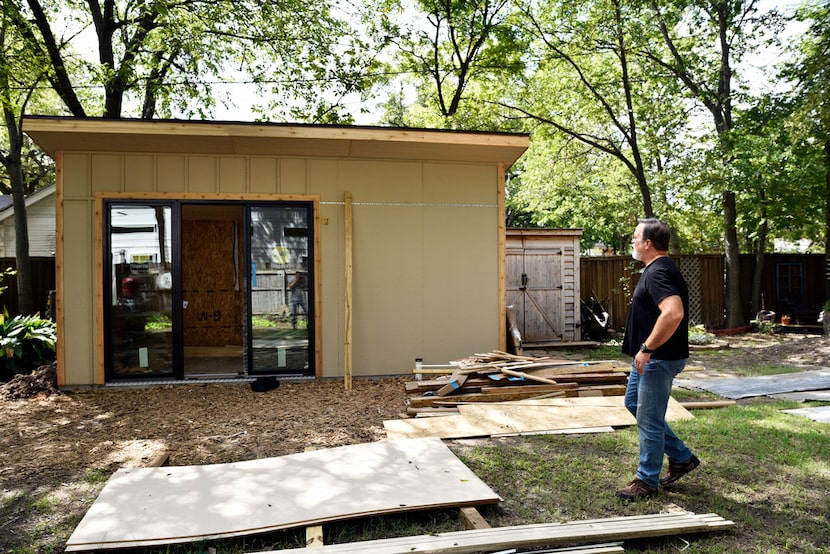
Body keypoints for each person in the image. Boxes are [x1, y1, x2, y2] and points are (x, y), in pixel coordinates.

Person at [616, 218, 700, 501]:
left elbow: (673, 313)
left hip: (657, 358)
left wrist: (648, 348)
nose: (633, 243)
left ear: (648, 244)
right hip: (651, 357)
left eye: (636, 238)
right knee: (634, 404)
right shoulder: (659, 269)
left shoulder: (658, 272)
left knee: (649, 418)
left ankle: (646, 481)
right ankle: (681, 457)